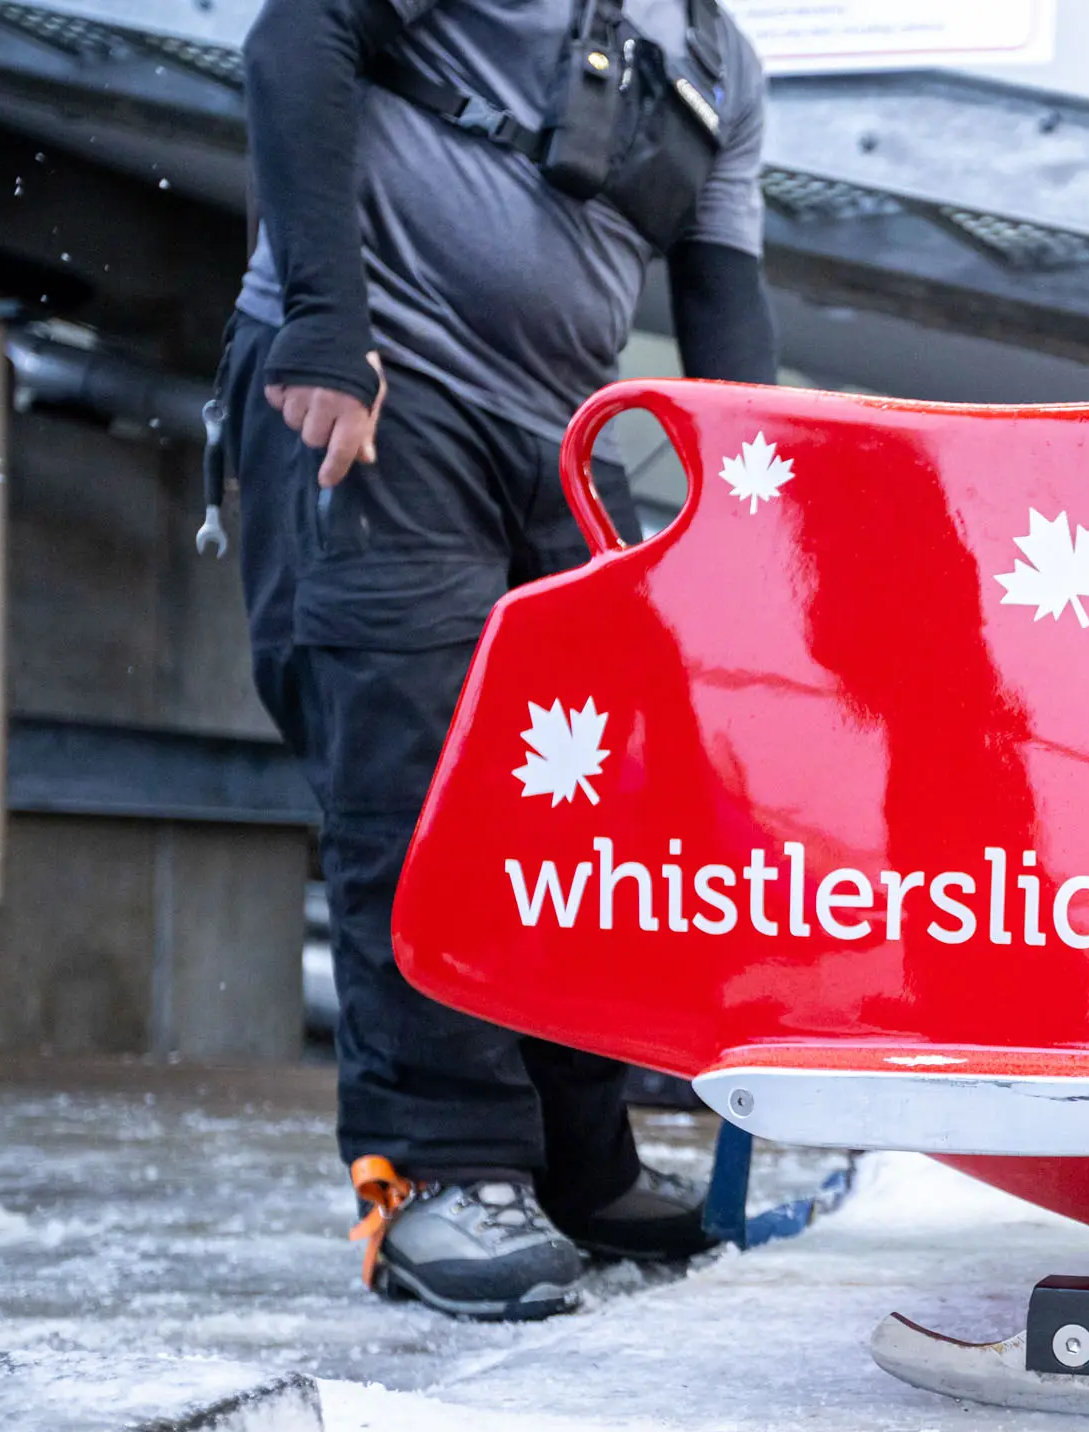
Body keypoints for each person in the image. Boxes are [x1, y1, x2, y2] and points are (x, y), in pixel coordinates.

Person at [223, 0, 779, 1320]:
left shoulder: (724, 63)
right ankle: (435, 1173)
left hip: (557, 442)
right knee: (414, 784)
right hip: (383, 386)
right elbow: (294, 39)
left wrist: (761, 524)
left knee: (592, 799)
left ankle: (577, 1164)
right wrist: (324, 320)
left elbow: (723, 298)